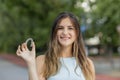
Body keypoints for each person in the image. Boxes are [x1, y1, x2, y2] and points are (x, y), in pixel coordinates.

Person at [16, 12, 95, 80]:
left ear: (77, 33)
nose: (65, 32)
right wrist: (31, 62)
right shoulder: (43, 60)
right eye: (60, 28)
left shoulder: (87, 64)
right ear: (54, 33)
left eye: (70, 28)